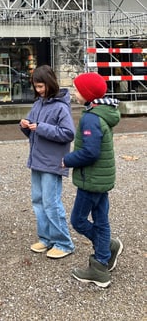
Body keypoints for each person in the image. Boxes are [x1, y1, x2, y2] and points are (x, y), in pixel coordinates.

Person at [63, 72, 123, 288]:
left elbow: (90, 152)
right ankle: (107, 251)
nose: (74, 93)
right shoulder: (103, 112)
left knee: (78, 220)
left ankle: (100, 263)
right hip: (101, 178)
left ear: (87, 95)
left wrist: (67, 160)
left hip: (91, 179)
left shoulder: (90, 117)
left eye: (77, 90)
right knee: (101, 219)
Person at [20, 65, 76, 259]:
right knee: (38, 200)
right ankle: (46, 239)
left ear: (49, 84)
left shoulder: (61, 106)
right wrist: (25, 126)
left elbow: (68, 134)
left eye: (41, 86)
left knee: (51, 203)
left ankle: (64, 242)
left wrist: (41, 128)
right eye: (36, 86)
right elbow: (33, 131)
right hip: (37, 160)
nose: (38, 90)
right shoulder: (38, 104)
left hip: (52, 163)